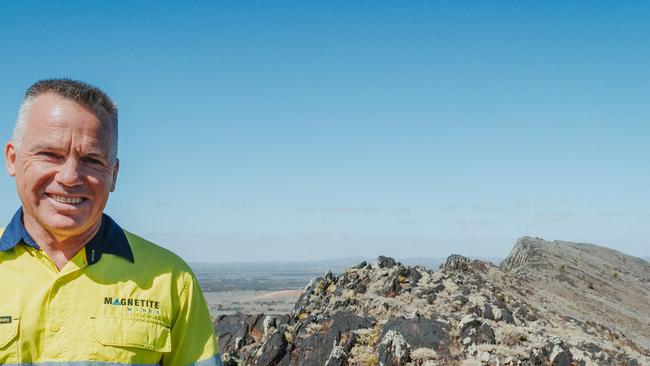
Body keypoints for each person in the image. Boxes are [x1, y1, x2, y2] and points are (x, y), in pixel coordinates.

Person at [0, 79, 222, 365]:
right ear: (12, 159)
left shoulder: (172, 280)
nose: (69, 176)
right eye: (50, 154)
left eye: (92, 160)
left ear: (113, 174)